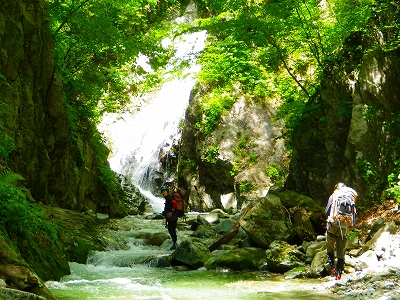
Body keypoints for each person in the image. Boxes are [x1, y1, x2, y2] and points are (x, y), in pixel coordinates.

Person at [325, 182, 358, 280]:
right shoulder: (350, 196)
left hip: (333, 226)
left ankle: (332, 268)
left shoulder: (334, 196)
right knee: (341, 252)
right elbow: (354, 214)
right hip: (344, 228)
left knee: (330, 248)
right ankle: (339, 275)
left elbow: (327, 211)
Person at [161, 185, 178, 250]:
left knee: (171, 230)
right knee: (171, 230)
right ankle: (175, 243)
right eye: (162, 191)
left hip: (172, 217)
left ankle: (175, 244)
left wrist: (172, 211)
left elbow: (175, 203)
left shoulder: (169, 198)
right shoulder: (168, 198)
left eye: (164, 191)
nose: (163, 193)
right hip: (172, 217)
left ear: (167, 192)